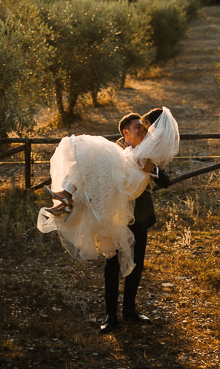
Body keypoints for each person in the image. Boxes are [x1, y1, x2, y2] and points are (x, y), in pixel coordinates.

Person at [36, 107, 178, 333]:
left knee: (137, 265)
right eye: (137, 128)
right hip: (114, 215)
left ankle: (130, 309)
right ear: (125, 133)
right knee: (111, 265)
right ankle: (110, 316)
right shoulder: (116, 152)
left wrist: (150, 168)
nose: (142, 131)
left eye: (143, 128)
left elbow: (166, 181)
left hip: (139, 216)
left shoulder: (148, 152)